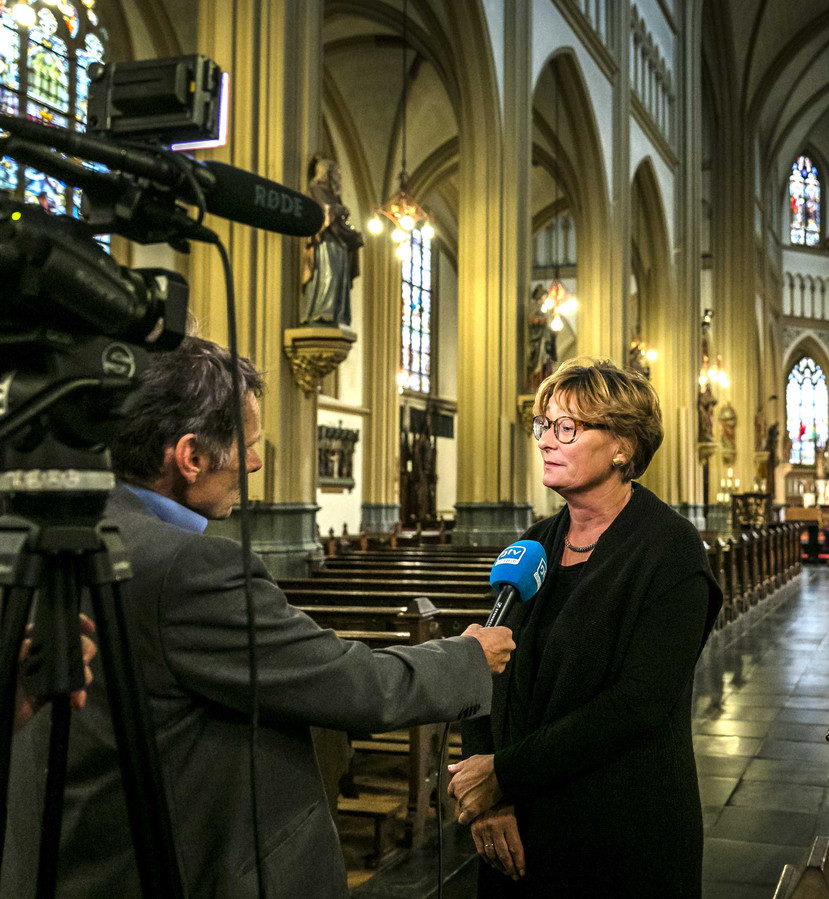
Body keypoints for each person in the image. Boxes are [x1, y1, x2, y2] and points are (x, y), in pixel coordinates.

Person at [2, 337, 514, 898]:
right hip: (188, 863)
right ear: (191, 456)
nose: (255, 462)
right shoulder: (188, 568)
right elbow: (349, 683)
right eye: (246, 445)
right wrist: (467, 657)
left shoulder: (54, 530)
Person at [450, 357, 722, 897]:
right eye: (543, 426)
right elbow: (491, 665)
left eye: (567, 428)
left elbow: (638, 703)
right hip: (516, 829)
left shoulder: (668, 550)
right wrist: (491, 798)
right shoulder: (535, 543)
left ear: (623, 446)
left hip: (619, 829)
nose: (547, 441)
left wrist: (503, 773)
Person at [300, 156, 364, 326]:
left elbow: (338, 214)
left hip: (339, 242)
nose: (338, 177)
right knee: (326, 274)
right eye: (336, 173)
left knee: (337, 278)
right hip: (326, 241)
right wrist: (338, 210)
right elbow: (322, 213)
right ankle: (322, 311)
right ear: (327, 172)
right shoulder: (316, 189)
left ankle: (336, 312)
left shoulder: (334, 195)